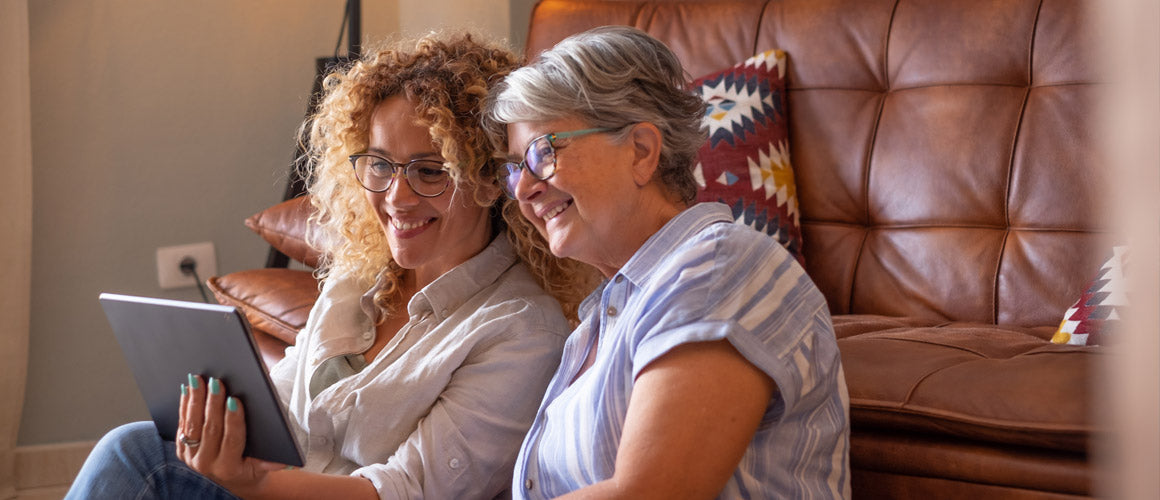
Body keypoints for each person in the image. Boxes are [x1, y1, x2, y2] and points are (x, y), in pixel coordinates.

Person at [67, 32, 591, 500]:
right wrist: (218, 432)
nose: (396, 196)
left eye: (430, 170)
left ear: (488, 179)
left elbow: (408, 491)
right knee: (137, 447)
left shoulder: (521, 328)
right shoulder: (359, 278)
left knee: (134, 460)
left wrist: (255, 483)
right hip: (273, 485)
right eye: (381, 164)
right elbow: (286, 405)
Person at [482, 26, 851, 499]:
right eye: (515, 167)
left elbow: (650, 492)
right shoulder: (602, 317)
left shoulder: (720, 266)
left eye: (544, 151)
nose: (523, 188)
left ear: (642, 151)